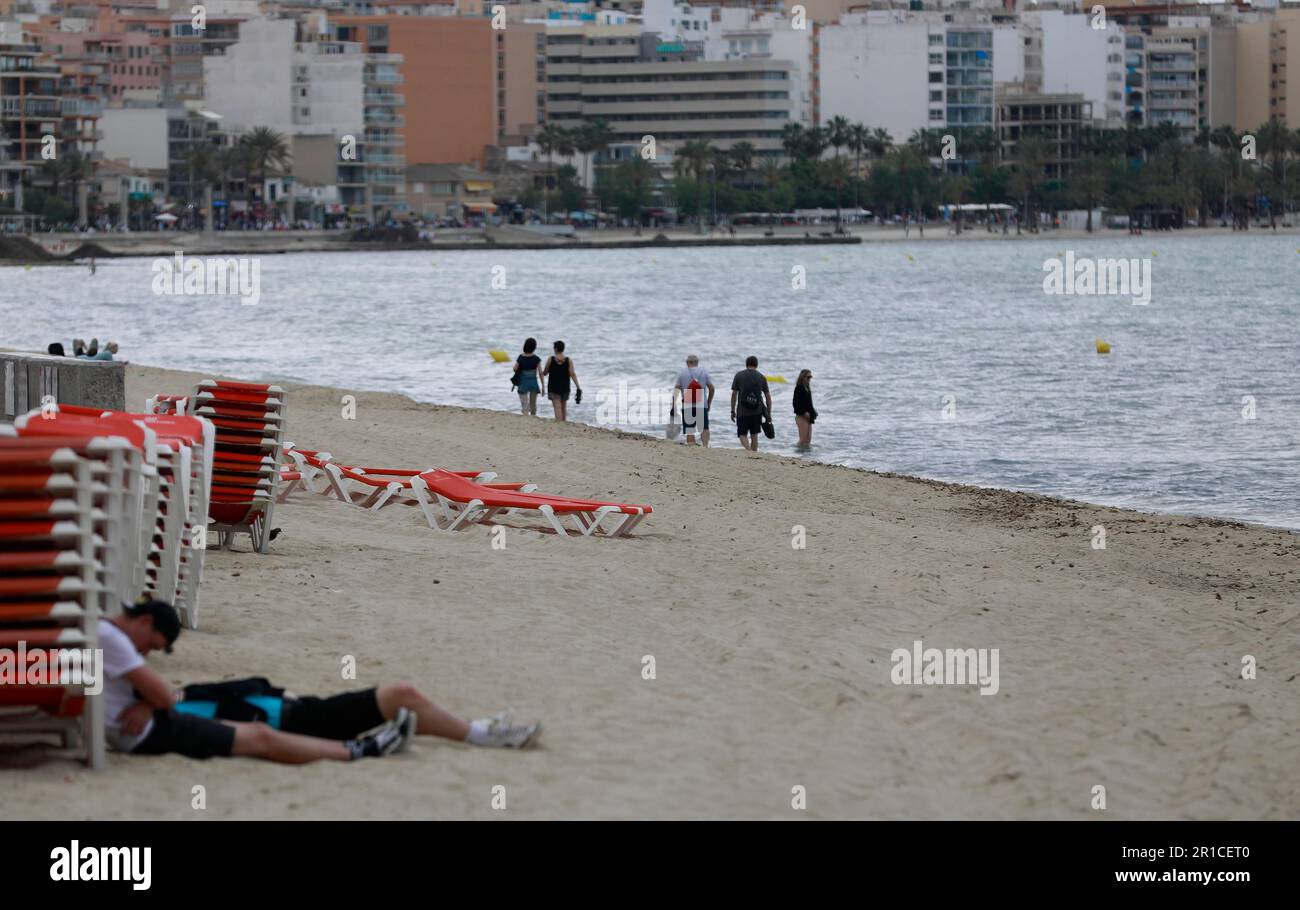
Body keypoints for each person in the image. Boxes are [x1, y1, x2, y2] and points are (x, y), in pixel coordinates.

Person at [99, 601, 413, 762]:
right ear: (144, 621)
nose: (142, 653)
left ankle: (357, 746)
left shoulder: (100, 631)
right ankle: (360, 751)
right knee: (260, 736)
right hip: (146, 733)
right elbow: (166, 698)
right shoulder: (112, 640)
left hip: (147, 723)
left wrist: (144, 702)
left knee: (258, 731)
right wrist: (151, 703)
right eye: (149, 646)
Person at [174, 678, 539, 749]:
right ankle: (481, 735)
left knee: (404, 700)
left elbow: (252, 685)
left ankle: (476, 732)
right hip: (302, 722)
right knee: (402, 694)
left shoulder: (178, 699)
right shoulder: (166, 720)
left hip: (303, 709)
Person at [730, 355, 772, 452]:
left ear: (746, 364)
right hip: (757, 411)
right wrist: (769, 413)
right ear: (756, 365)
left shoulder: (739, 375)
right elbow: (768, 397)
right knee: (754, 435)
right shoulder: (761, 377)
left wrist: (732, 410)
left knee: (742, 434)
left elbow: (734, 394)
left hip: (742, 411)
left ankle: (749, 451)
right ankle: (754, 453)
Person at [672, 354, 714, 447]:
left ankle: (691, 446)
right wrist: (709, 402)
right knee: (704, 428)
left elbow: (677, 389)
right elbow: (711, 388)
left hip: (687, 404)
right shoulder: (704, 372)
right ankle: (705, 446)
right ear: (697, 362)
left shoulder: (682, 373)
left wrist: (673, 404)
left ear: (687, 363)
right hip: (701, 404)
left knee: (690, 429)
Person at [541, 340, 580, 422]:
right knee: (563, 407)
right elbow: (572, 374)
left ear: (555, 349)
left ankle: (559, 424)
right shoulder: (568, 360)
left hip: (553, 387)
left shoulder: (551, 359)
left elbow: (545, 372)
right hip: (565, 387)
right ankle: (564, 423)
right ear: (563, 349)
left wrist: (542, 371)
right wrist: (578, 386)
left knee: (557, 407)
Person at [513, 337, 542, 416]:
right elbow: (540, 373)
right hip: (533, 382)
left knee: (525, 405)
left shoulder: (521, 357)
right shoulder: (536, 358)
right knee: (533, 405)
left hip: (523, 382)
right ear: (534, 347)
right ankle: (533, 417)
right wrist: (543, 386)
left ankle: (525, 417)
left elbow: (515, 368)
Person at [792, 369, 817, 448]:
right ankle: (797, 453)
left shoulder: (807, 388)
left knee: (808, 440)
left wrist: (813, 413)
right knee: (802, 439)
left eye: (810, 377)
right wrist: (804, 413)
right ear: (802, 377)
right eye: (808, 377)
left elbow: (809, 404)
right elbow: (795, 403)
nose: (809, 379)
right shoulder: (799, 388)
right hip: (801, 416)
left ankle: (805, 457)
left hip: (808, 416)